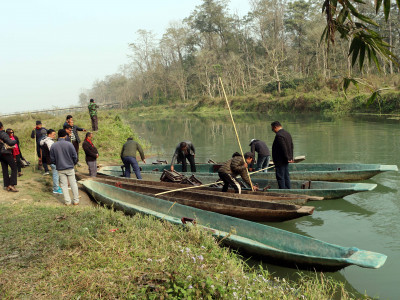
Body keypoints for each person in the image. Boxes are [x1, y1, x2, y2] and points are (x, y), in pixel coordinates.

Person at [50, 129, 79, 205]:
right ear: (65, 136)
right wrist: (73, 163)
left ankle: (67, 202)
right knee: (73, 184)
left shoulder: (54, 145)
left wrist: (57, 164)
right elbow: (75, 156)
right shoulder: (69, 144)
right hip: (70, 167)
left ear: (58, 136)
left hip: (60, 168)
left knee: (64, 185)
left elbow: (52, 159)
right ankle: (76, 201)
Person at [271, 121, 294, 189]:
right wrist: (290, 157)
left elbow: (283, 147)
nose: (273, 131)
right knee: (286, 176)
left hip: (280, 160)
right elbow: (291, 146)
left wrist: (287, 158)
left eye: (273, 129)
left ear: (276, 127)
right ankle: (288, 189)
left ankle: (283, 191)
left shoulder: (279, 135)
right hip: (286, 159)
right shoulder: (287, 134)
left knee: (280, 176)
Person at [40, 129, 62, 194]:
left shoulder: (44, 140)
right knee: (55, 174)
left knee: (56, 174)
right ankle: (56, 189)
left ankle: (56, 187)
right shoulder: (49, 142)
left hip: (49, 159)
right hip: (53, 160)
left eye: (55, 134)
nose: (54, 136)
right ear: (49, 134)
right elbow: (52, 151)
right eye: (53, 134)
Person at [0, 122, 18, 192]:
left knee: (5, 170)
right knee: (14, 168)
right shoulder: (3, 133)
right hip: (6, 153)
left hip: (0, 155)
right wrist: (15, 140)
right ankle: (12, 184)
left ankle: (7, 186)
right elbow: (10, 143)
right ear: (2, 126)